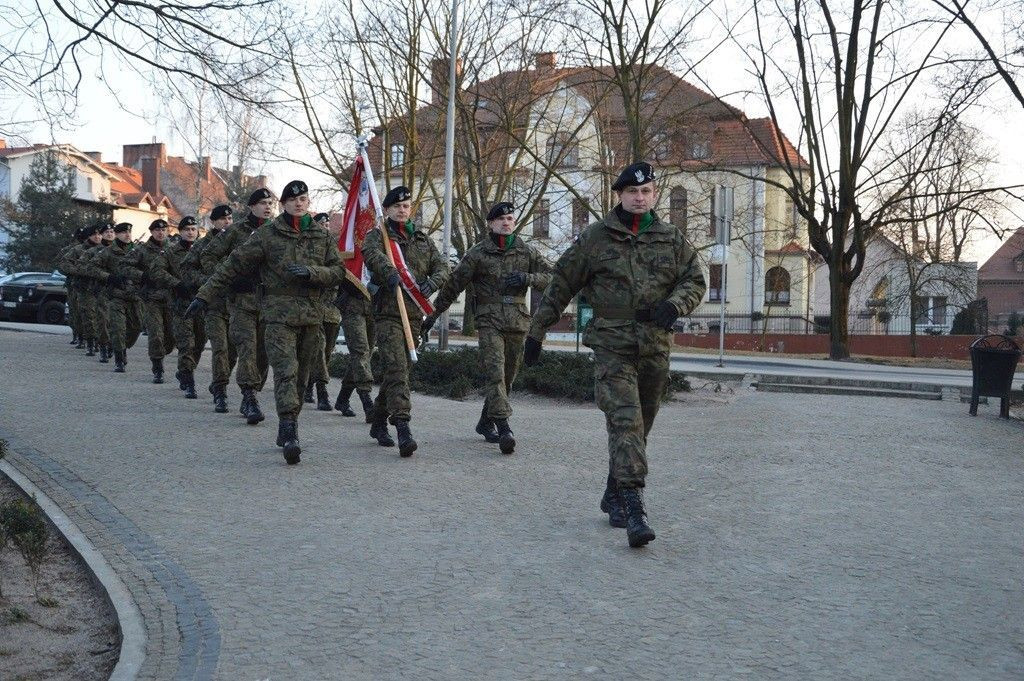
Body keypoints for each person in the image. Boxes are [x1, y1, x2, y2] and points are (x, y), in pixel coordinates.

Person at [523, 162, 706, 548]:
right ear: (619, 195)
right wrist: (536, 333)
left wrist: (676, 305)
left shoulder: (671, 238)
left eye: (647, 192)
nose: (640, 199)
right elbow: (561, 284)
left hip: (655, 344)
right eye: (633, 193)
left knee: (642, 425)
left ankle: (613, 488)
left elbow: (695, 278)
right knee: (626, 421)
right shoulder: (595, 239)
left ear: (654, 194)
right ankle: (634, 506)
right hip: (612, 343)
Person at [188, 180, 353, 465]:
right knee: (286, 371)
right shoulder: (268, 235)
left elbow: (338, 271)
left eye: (303, 198)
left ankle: (289, 420)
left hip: (312, 315)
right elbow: (232, 264)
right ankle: (289, 428)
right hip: (277, 315)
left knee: (302, 377)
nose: (299, 203)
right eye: (292, 199)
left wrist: (313, 273)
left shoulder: (321, 235)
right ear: (284, 204)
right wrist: (204, 296)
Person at [423, 202, 551, 454]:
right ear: (491, 223)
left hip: (517, 320)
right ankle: (504, 428)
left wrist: (529, 278)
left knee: (508, 377)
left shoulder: (527, 252)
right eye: (500, 219)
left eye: (510, 218)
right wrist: (432, 314)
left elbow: (553, 277)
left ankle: (485, 422)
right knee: (494, 373)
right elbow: (453, 285)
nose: (506, 222)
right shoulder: (478, 254)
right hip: (489, 319)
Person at [361, 186, 449, 457]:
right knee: (398, 368)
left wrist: (431, 283)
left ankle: (377, 419)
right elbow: (371, 255)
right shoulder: (378, 237)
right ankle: (403, 427)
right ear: (386, 209)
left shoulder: (422, 239)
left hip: (413, 314)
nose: (402, 210)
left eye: (407, 206)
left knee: (398, 372)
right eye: (397, 206)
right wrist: (390, 273)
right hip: (388, 313)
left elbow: (443, 268)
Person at [201, 189, 273, 424]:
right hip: (241, 301)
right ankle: (248, 396)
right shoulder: (235, 232)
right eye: (262, 203)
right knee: (247, 348)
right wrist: (230, 277)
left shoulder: (277, 230)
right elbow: (208, 256)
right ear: (251, 206)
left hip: (270, 302)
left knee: (264, 353)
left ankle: (250, 389)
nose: (267, 207)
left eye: (270, 203)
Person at [185, 204, 237, 412]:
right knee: (220, 349)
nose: (227, 222)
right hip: (213, 305)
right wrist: (207, 281)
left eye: (230, 218)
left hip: (235, 305)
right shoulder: (203, 245)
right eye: (223, 219)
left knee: (232, 353)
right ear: (213, 222)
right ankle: (221, 391)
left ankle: (218, 382)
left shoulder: (237, 242)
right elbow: (187, 268)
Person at [156, 216, 206, 399]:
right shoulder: (170, 252)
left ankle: (186, 370)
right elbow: (157, 270)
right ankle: (189, 380)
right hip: (180, 305)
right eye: (187, 229)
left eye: (193, 229)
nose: (190, 232)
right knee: (186, 343)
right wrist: (176, 284)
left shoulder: (205, 249)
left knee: (200, 341)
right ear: (180, 232)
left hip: (200, 302)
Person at [83, 222, 143, 372]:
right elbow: (90, 267)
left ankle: (119, 345)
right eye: (123, 232)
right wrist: (109, 277)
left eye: (129, 232)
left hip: (135, 296)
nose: (127, 235)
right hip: (114, 295)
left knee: (136, 327)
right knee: (116, 327)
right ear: (117, 234)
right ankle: (119, 356)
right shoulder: (107, 252)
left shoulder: (138, 251)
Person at [123, 219, 176, 383]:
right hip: (151, 299)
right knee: (156, 335)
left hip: (171, 299)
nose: (161, 233)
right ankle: (157, 368)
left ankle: (162, 353)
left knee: (171, 337)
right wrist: (143, 276)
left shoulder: (173, 250)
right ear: (152, 231)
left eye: (164, 230)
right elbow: (124, 267)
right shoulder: (142, 250)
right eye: (157, 230)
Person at [305, 212, 341, 411]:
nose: (325, 226)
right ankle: (322, 392)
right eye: (321, 223)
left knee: (326, 354)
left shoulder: (336, 248)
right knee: (318, 351)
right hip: (314, 308)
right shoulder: (311, 248)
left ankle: (309, 384)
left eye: (327, 223)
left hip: (333, 311)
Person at [92, 222, 116, 363]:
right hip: (103, 290)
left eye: (112, 231)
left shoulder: (124, 249)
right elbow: (88, 268)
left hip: (120, 291)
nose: (110, 234)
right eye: (106, 232)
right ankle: (103, 345)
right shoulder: (96, 251)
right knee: (103, 320)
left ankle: (114, 344)